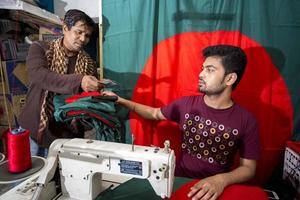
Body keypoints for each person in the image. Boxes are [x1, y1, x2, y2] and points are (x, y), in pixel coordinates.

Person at [103, 45, 260, 200]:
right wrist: (120, 100)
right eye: (202, 68)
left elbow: (248, 168)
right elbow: (154, 113)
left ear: (230, 78)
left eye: (210, 70)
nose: (201, 74)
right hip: (177, 182)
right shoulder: (185, 104)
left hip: (213, 191)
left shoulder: (246, 120)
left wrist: (221, 180)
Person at [19, 9, 102, 157]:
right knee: (31, 178)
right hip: (34, 130)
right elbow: (40, 76)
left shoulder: (89, 64)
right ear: (65, 29)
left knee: (63, 179)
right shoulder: (40, 49)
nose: (83, 39)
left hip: (67, 138)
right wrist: (79, 80)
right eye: (79, 32)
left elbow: (86, 102)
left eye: (87, 35)